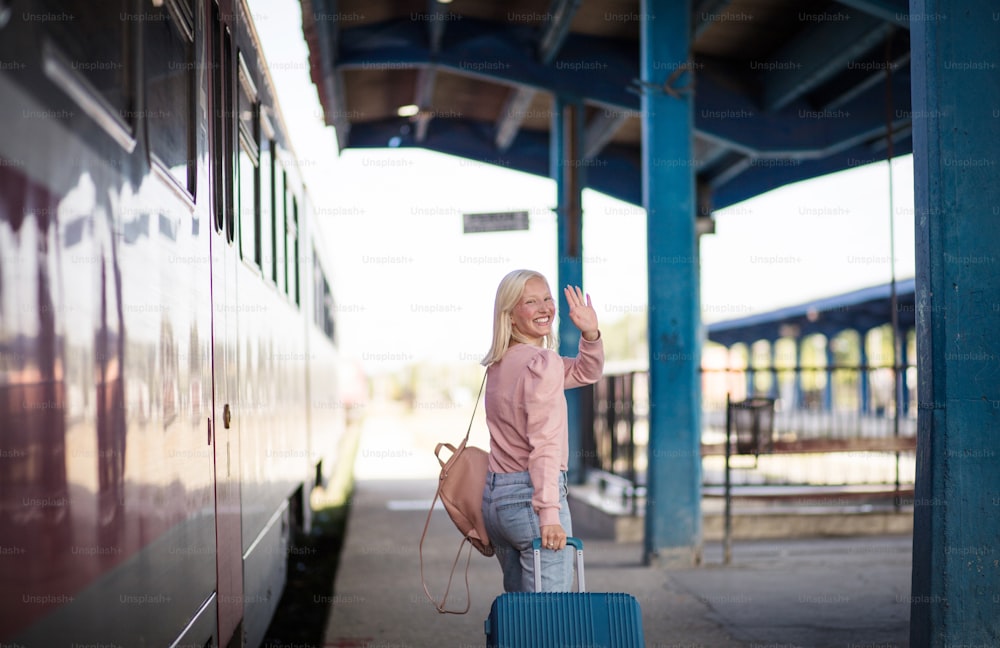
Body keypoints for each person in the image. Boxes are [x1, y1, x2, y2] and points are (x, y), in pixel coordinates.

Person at [480, 269, 604, 592]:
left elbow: (585, 371)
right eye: (531, 302)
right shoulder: (542, 363)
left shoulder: (501, 363)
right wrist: (549, 514)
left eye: (547, 298)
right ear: (510, 314)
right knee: (550, 621)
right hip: (532, 503)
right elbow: (545, 444)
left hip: (498, 504)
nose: (544, 308)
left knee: (522, 619)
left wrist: (590, 333)